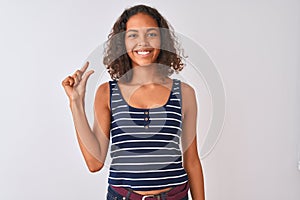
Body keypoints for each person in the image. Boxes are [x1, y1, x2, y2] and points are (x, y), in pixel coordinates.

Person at [62, 4, 205, 200]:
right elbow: (94, 163)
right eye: (133, 35)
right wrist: (75, 103)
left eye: (152, 34)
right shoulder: (107, 93)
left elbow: (192, 161)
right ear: (122, 42)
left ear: (162, 40)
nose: (143, 42)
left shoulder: (184, 93)